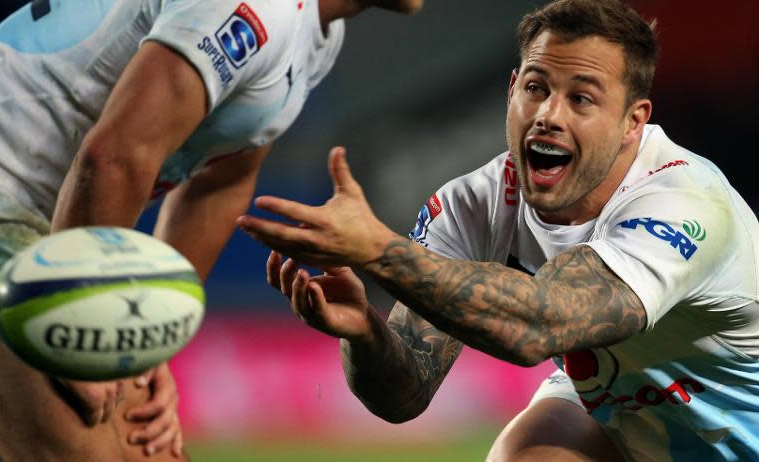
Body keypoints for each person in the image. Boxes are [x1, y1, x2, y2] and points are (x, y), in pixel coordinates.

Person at [237, 0, 759, 460]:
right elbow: (404, 394)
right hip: (619, 399)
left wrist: (379, 251)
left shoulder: (685, 204)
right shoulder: (474, 204)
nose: (549, 116)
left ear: (632, 122)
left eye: (582, 99)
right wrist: (366, 334)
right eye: (536, 87)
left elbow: (541, 324)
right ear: (511, 92)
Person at [0, 0, 423, 460]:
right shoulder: (260, 9)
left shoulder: (313, 32)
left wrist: (147, 343)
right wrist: (75, 321)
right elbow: (116, 156)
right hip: (3, 185)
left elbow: (220, 184)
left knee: (146, 446)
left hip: (30, 210)